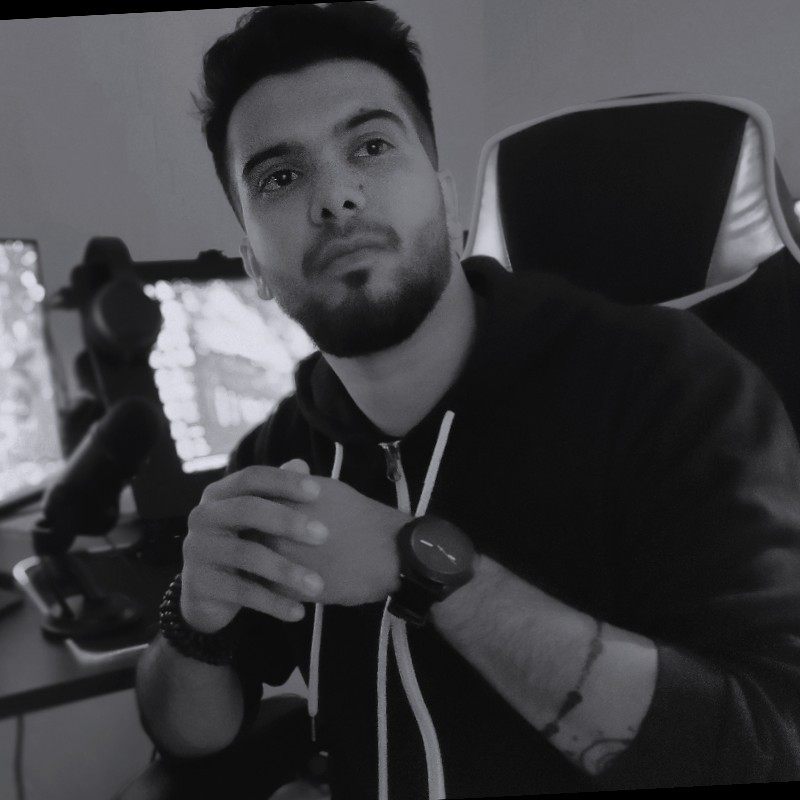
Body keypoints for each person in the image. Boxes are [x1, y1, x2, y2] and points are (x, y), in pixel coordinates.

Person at [134, 3, 800, 798]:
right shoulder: (279, 455)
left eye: (371, 146)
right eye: (281, 176)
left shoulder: (671, 386)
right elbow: (190, 736)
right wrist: (192, 620)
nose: (336, 197)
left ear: (448, 202)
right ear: (253, 261)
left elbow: (769, 745)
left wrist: (415, 563)